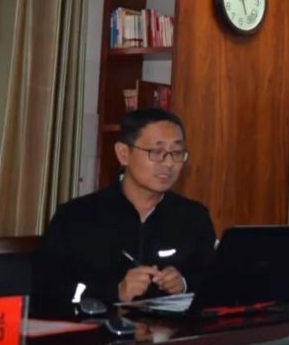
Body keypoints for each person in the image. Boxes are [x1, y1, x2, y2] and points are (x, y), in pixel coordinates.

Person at [31, 108, 216, 318]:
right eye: (156, 152)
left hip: (174, 335)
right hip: (96, 333)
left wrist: (183, 284)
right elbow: (46, 295)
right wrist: (116, 291)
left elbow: (216, 285)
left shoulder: (193, 217)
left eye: (177, 152)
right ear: (124, 154)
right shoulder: (76, 218)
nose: (169, 163)